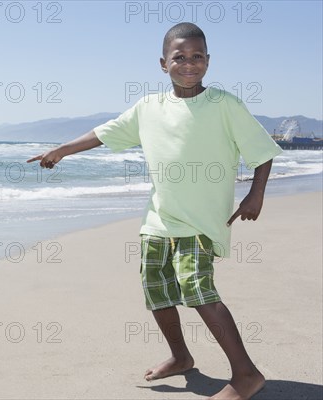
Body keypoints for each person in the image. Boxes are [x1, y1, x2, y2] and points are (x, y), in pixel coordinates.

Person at [27, 22, 282, 400]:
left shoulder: (224, 104)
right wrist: (62, 150)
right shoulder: (149, 107)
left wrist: (255, 196)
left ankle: (246, 373)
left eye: (197, 57)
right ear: (164, 64)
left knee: (197, 290)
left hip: (200, 222)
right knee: (158, 291)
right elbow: (105, 132)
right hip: (159, 220)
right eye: (180, 57)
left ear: (208, 61)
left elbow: (261, 150)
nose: (189, 64)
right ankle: (181, 357)